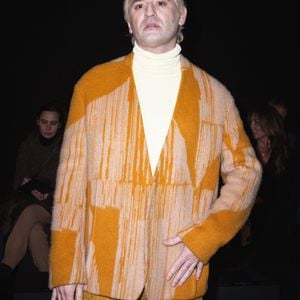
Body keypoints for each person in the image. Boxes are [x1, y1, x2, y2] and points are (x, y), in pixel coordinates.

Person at [49, 1, 262, 299]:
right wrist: (64, 265)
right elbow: (70, 183)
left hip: (177, 276)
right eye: (138, 6)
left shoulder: (215, 95)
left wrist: (207, 237)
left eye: (161, 2)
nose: (149, 11)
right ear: (128, 22)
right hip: (102, 275)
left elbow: (247, 171)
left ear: (182, 15)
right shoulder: (92, 86)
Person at [0, 101, 65, 296]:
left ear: (60, 125)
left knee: (29, 214)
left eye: (53, 123)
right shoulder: (27, 146)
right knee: (34, 230)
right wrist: (30, 188)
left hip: (55, 204)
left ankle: (6, 267)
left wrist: (48, 193)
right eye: (44, 122)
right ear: (37, 122)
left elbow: (71, 183)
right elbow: (18, 181)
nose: (47, 127)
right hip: (29, 202)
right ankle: (47, 276)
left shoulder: (67, 147)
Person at [237, 104, 292, 283]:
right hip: (248, 216)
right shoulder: (245, 149)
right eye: (251, 121)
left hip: (276, 219)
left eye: (257, 121)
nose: (252, 125)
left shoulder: (284, 153)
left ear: (269, 123)